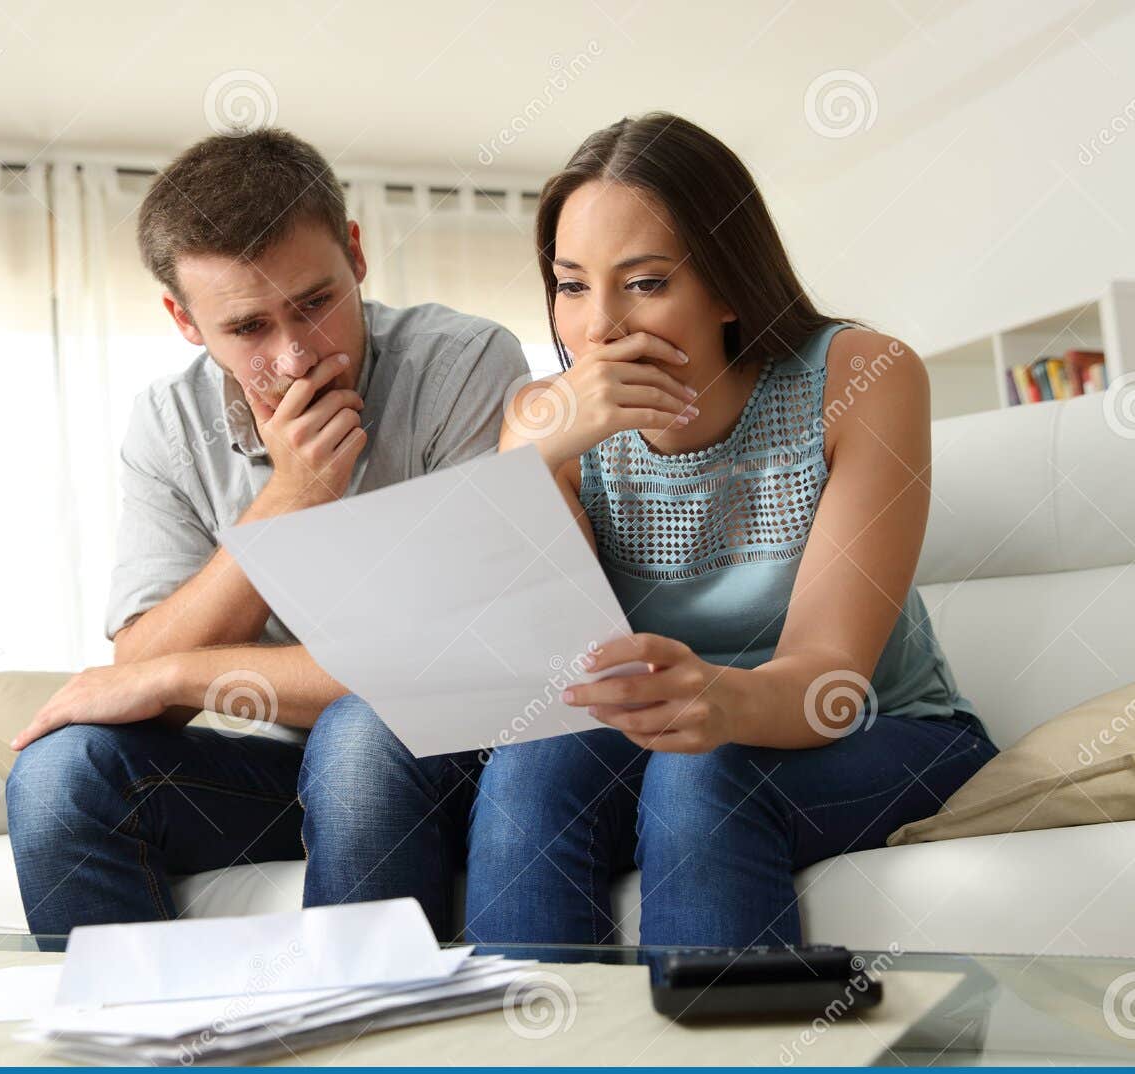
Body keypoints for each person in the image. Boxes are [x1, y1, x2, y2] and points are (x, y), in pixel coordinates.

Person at [300, 112, 998, 948]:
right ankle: (535, 1065)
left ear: (732, 285)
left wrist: (719, 698)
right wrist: (536, 459)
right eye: (571, 285)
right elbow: (545, 667)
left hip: (876, 726)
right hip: (655, 730)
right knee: (532, 762)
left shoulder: (864, 377)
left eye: (645, 282)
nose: (599, 328)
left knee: (704, 772)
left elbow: (832, 681)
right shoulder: (541, 420)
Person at [4, 127, 527, 934]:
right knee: (58, 773)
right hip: (300, 768)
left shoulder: (463, 365)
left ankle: (358, 1051)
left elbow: (449, 665)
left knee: (359, 733)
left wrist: (181, 675)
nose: (292, 356)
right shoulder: (169, 426)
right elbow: (137, 674)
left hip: (466, 760)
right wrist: (292, 494)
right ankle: (148, 1054)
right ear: (185, 319)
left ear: (355, 254)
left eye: (315, 304)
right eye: (248, 328)